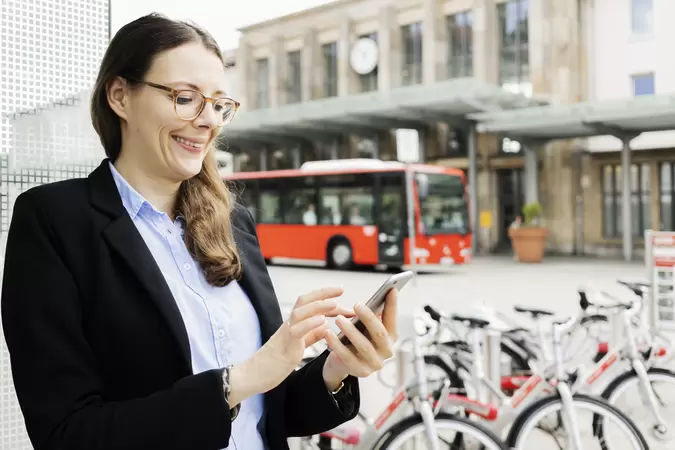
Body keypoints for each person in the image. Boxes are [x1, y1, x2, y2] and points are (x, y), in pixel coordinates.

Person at [0, 13, 397, 450]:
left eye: (219, 104)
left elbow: (270, 413)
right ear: (120, 96)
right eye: (185, 98)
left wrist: (335, 369)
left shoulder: (233, 221)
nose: (208, 121)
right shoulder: (54, 220)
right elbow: (66, 434)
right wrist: (236, 382)